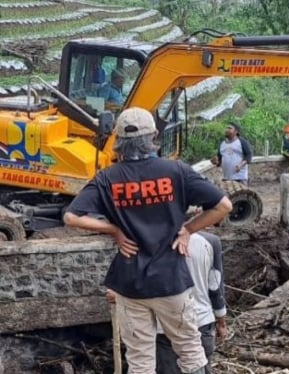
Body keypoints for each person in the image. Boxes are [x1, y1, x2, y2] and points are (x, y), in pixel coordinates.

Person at [63, 107, 233, 374]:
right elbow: (224, 206)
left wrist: (114, 230)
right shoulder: (176, 171)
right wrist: (188, 229)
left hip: (130, 284)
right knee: (190, 351)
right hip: (171, 282)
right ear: (154, 135)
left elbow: (71, 217)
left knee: (140, 360)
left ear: (118, 139)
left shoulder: (108, 177)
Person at [106, 232, 227, 374]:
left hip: (162, 327)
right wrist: (221, 320)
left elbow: (138, 279)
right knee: (197, 363)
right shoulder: (209, 241)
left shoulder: (141, 239)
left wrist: (122, 293)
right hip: (201, 321)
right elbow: (215, 285)